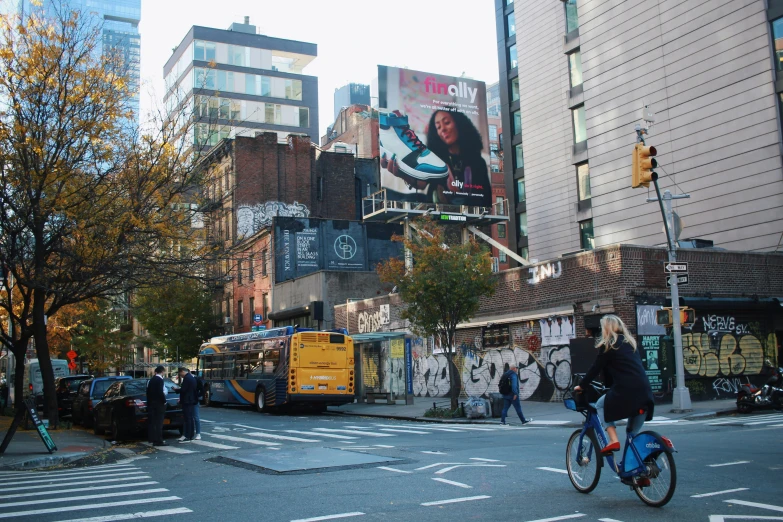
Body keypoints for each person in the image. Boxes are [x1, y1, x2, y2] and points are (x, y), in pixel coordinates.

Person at [574, 315, 654, 455]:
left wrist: (581, 386)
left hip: (626, 391)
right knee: (632, 435)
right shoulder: (630, 343)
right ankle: (638, 471)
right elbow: (624, 368)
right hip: (645, 392)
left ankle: (613, 440)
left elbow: (595, 368)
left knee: (600, 405)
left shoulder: (609, 345)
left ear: (606, 328)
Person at [426, 109, 492, 207]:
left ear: (459, 124)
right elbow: (421, 184)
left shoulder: (477, 163)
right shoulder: (437, 161)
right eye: (438, 127)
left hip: (468, 219)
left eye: (447, 122)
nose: (443, 129)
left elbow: (485, 202)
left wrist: (459, 194)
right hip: (433, 217)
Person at [146, 365, 168, 447]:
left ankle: (153, 439)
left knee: (153, 422)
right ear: (162, 372)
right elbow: (160, 392)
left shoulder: (151, 380)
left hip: (152, 403)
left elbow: (148, 392)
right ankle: (159, 440)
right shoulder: (160, 380)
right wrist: (164, 401)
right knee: (159, 422)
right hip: (159, 404)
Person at [177, 367, 197, 443]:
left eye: (180, 374)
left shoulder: (187, 378)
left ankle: (188, 435)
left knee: (187, 418)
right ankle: (191, 434)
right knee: (190, 418)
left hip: (187, 400)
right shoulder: (192, 378)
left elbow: (183, 390)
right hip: (191, 400)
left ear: (182, 372)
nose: (180, 375)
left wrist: (176, 390)